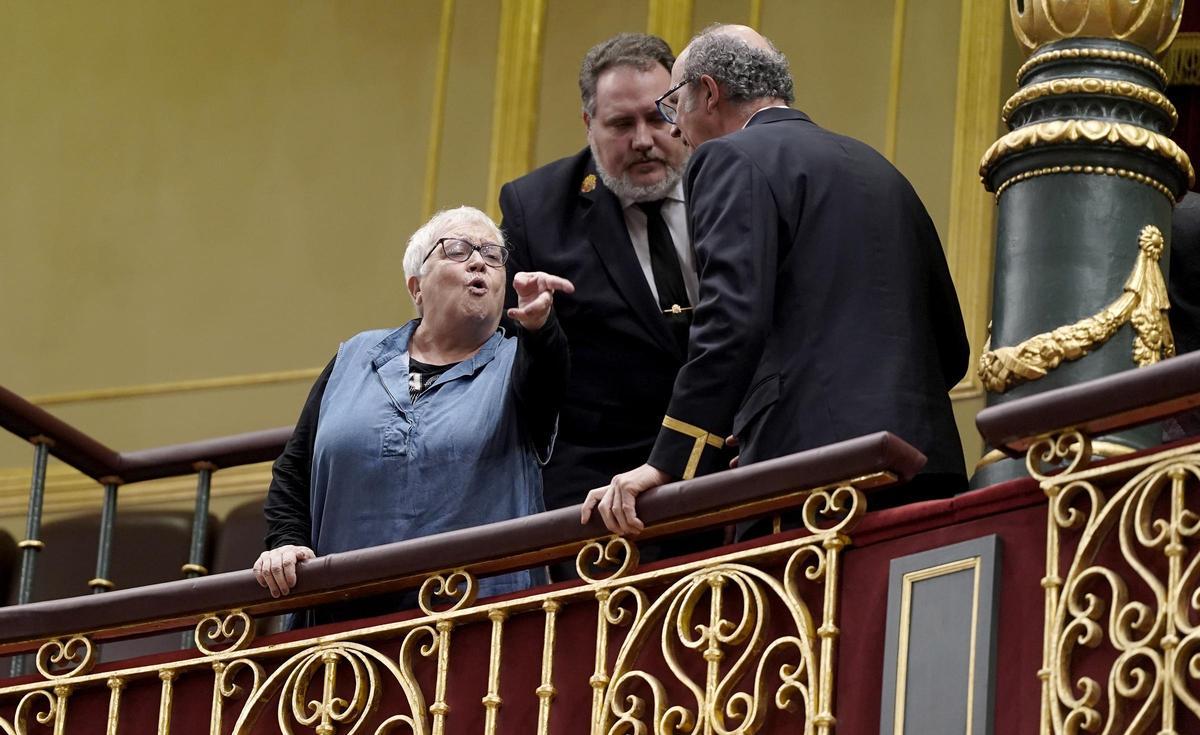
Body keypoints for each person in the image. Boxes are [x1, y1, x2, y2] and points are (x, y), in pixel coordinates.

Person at [583, 25, 970, 535]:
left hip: (815, 488)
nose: (674, 130)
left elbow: (730, 321)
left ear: (709, 92)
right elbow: (952, 347)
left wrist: (668, 463)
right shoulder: (878, 167)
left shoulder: (728, 158)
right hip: (928, 465)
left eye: (673, 105)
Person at [255, 206, 572, 608]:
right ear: (416, 287)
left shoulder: (520, 363)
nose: (479, 262)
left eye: (493, 255)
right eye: (457, 249)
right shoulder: (356, 355)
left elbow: (549, 375)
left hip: (477, 624)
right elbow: (294, 470)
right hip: (344, 630)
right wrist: (287, 542)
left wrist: (541, 327)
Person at [500, 34, 722, 562]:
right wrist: (538, 329)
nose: (644, 140)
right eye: (622, 125)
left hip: (732, 467)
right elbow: (511, 372)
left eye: (658, 117)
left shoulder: (733, 179)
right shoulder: (537, 210)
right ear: (588, 125)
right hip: (603, 498)